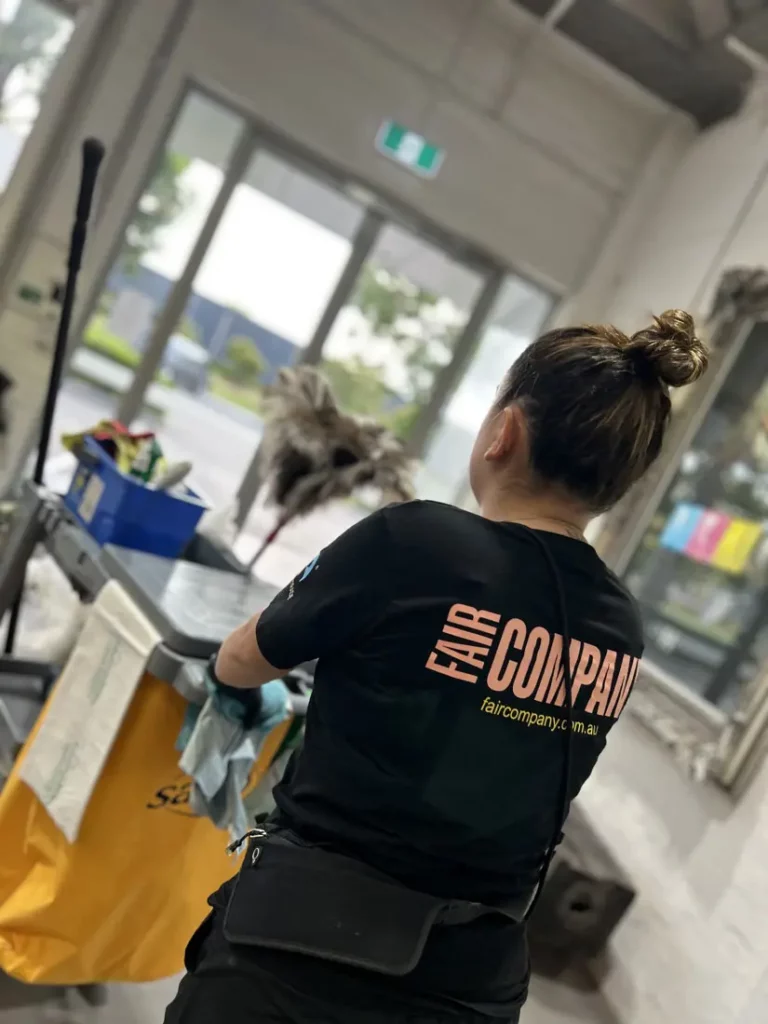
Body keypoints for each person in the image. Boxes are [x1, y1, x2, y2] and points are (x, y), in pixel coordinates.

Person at [164, 309, 708, 1024]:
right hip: (469, 982)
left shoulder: (416, 539)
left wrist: (240, 693)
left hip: (299, 950)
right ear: (619, 481)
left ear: (502, 431)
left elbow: (242, 659)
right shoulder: (620, 626)